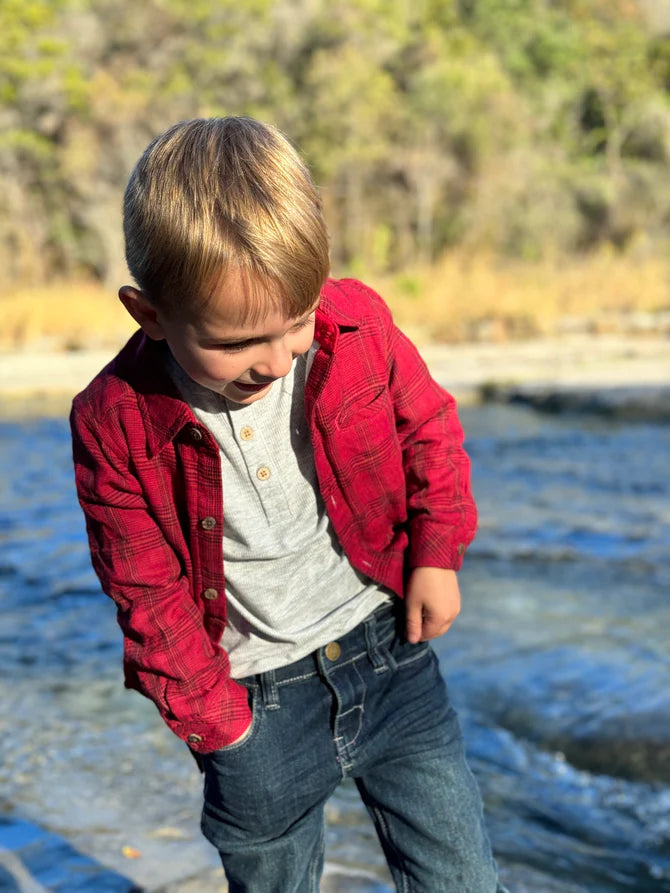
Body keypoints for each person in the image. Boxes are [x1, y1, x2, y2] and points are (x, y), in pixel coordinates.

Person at [70, 116, 505, 892]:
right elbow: (145, 591)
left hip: (388, 653)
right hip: (254, 703)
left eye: (296, 322)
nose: (275, 359)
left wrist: (437, 553)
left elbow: (429, 431)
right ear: (151, 314)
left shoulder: (359, 322)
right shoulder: (114, 419)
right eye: (238, 343)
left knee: (462, 878)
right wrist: (223, 727)